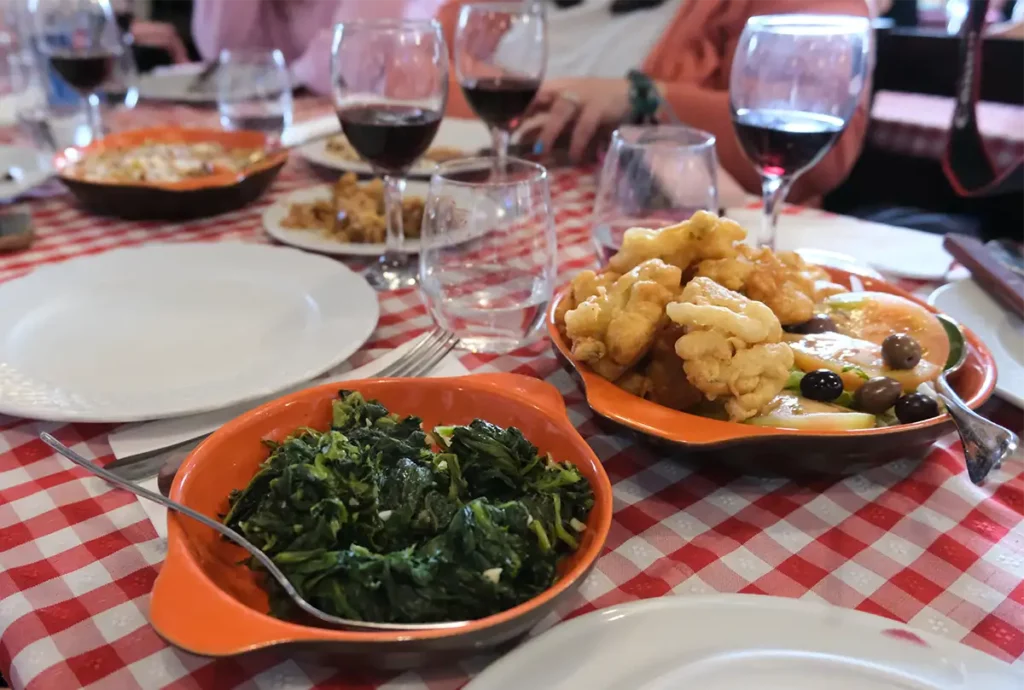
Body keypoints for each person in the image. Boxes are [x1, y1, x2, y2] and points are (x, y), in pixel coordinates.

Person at [437, 0, 874, 204]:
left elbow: (823, 158)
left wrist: (645, 98)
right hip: (495, 217)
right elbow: (425, 82)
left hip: (655, 235)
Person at [191, 0, 445, 96]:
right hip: (295, 137)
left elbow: (350, 58)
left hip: (373, 139)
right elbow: (220, 50)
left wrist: (280, 78)